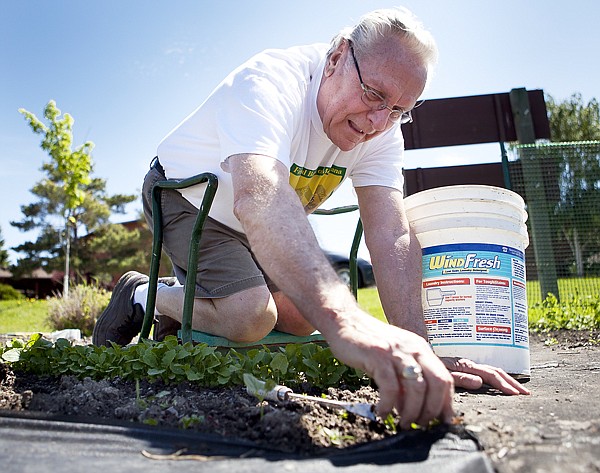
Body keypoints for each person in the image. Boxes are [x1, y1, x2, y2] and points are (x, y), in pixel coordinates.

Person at [93, 7, 529, 429]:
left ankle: (193, 299)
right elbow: (260, 196)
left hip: (254, 219)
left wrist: (422, 351)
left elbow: (390, 230)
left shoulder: (381, 126)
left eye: (399, 109)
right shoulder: (268, 82)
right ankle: (142, 293)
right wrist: (347, 322)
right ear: (338, 56)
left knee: (302, 317)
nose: (378, 122)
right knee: (250, 317)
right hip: (190, 197)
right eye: (374, 94)